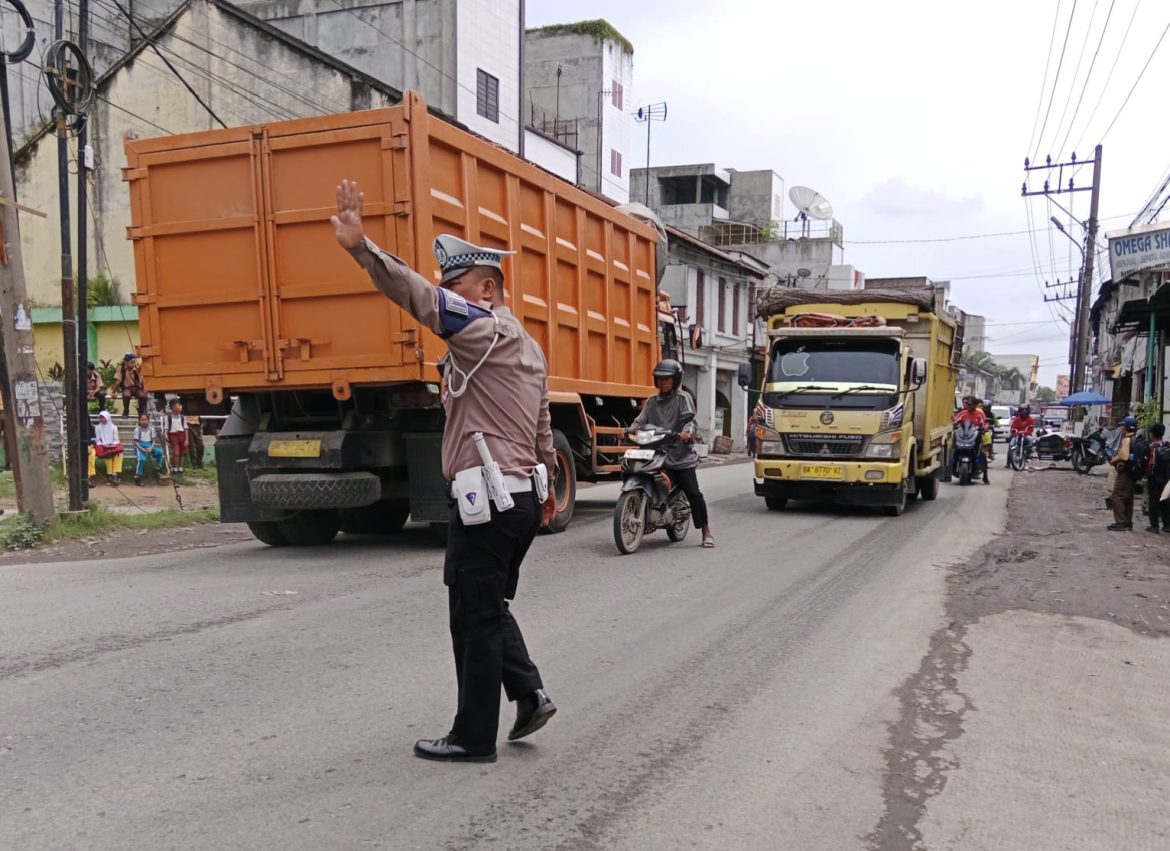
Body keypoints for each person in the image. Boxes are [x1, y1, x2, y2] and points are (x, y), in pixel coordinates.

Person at [332, 178, 557, 764]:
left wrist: (364, 250)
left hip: (490, 499)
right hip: (520, 498)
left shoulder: (483, 328)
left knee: (473, 617)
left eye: (455, 285)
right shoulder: (528, 347)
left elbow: (419, 300)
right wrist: (550, 486)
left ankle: (472, 737)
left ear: (486, 289)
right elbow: (540, 429)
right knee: (485, 604)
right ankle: (529, 693)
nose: (446, 295)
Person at [627, 359, 715, 547]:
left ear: (675, 381)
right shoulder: (651, 401)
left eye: (668, 380)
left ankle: (706, 531)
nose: (664, 383)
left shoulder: (683, 398)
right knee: (638, 472)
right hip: (656, 454)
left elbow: (690, 421)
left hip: (680, 457)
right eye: (660, 380)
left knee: (694, 493)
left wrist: (687, 433)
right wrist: (629, 430)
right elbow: (639, 421)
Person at [1107, 416, 1139, 531]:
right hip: (1132, 472)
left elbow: (1124, 456)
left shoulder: (1126, 440)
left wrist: (1114, 460)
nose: (1121, 428)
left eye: (1122, 426)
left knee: (1117, 496)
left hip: (1124, 472)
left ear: (1125, 428)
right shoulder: (1135, 439)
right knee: (1128, 497)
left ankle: (1121, 522)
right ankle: (1128, 522)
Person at [954, 397, 989, 484]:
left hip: (975, 437)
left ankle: (985, 476)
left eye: (970, 404)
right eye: (967, 404)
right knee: (953, 449)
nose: (968, 406)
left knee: (983, 454)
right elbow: (956, 421)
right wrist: (954, 424)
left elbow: (986, 423)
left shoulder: (980, 414)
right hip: (963, 437)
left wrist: (985, 428)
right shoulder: (962, 413)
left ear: (975, 405)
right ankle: (949, 469)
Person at [1144, 422, 1170, 533]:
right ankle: (1167, 525)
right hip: (1166, 478)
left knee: (1154, 502)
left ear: (1152, 434)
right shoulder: (1167, 445)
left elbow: (1150, 464)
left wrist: (1146, 474)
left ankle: (1154, 526)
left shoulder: (1151, 448)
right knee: (1166, 501)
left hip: (1154, 478)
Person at [93, 410, 124, 485]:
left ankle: (115, 474)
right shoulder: (98, 427)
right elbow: (98, 440)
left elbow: (116, 439)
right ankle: (110, 475)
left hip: (113, 446)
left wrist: (112, 444)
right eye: (100, 418)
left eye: (103, 417)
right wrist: (104, 445)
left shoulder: (114, 427)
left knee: (118, 454)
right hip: (103, 447)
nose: (101, 419)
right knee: (108, 455)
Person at [132, 413, 165, 485]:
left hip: (149, 446)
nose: (144, 421)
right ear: (139, 421)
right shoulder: (137, 430)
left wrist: (151, 448)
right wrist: (143, 450)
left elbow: (153, 441)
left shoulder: (151, 429)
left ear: (148, 420)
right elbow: (136, 443)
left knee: (160, 452)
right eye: (142, 420)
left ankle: (157, 470)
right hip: (140, 447)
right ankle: (137, 476)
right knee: (141, 459)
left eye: (145, 419)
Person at [115, 353, 148, 417]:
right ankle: (126, 410)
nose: (133, 363)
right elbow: (118, 380)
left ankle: (141, 410)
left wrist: (144, 389)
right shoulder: (121, 368)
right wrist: (114, 391)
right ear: (126, 362)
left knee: (143, 396)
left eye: (134, 362)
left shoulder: (136, 367)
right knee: (126, 395)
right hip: (127, 387)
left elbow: (142, 379)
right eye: (131, 362)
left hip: (136, 387)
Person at [165, 399, 189, 477]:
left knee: (182, 453)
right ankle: (175, 468)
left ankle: (180, 469)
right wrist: (165, 435)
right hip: (173, 435)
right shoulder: (168, 418)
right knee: (176, 453)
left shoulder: (182, 417)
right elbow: (166, 429)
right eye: (179, 406)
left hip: (182, 435)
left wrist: (186, 439)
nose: (180, 407)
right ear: (173, 407)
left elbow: (185, 429)